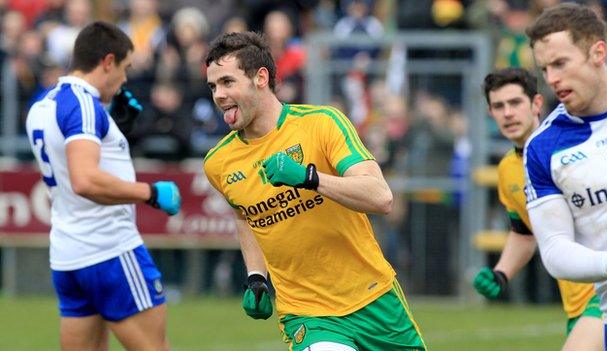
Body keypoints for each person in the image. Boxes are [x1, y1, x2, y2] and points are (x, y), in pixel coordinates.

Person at [203, 31, 427, 351]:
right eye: (213, 86)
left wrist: (310, 178)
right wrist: (256, 276)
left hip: (373, 296)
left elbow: (380, 197)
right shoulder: (218, 163)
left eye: (227, 82)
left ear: (261, 78)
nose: (218, 95)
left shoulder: (322, 123)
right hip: (306, 313)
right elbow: (245, 215)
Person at [25, 21, 180, 351]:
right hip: (110, 250)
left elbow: (72, 158)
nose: (124, 79)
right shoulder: (83, 104)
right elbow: (84, 179)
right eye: (124, 68)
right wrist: (151, 193)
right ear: (107, 62)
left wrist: (112, 127)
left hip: (69, 256)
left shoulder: (42, 105)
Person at [474, 67, 604, 350]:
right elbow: (524, 232)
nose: (508, 113)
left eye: (515, 103)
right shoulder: (508, 169)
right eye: (499, 106)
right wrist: (502, 272)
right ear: (490, 113)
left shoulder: (570, 148)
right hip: (577, 307)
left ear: (536, 104)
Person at [524, 3, 607, 350]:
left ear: (598, 52)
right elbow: (553, 250)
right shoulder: (543, 148)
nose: (552, 79)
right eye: (545, 68)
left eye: (561, 63)